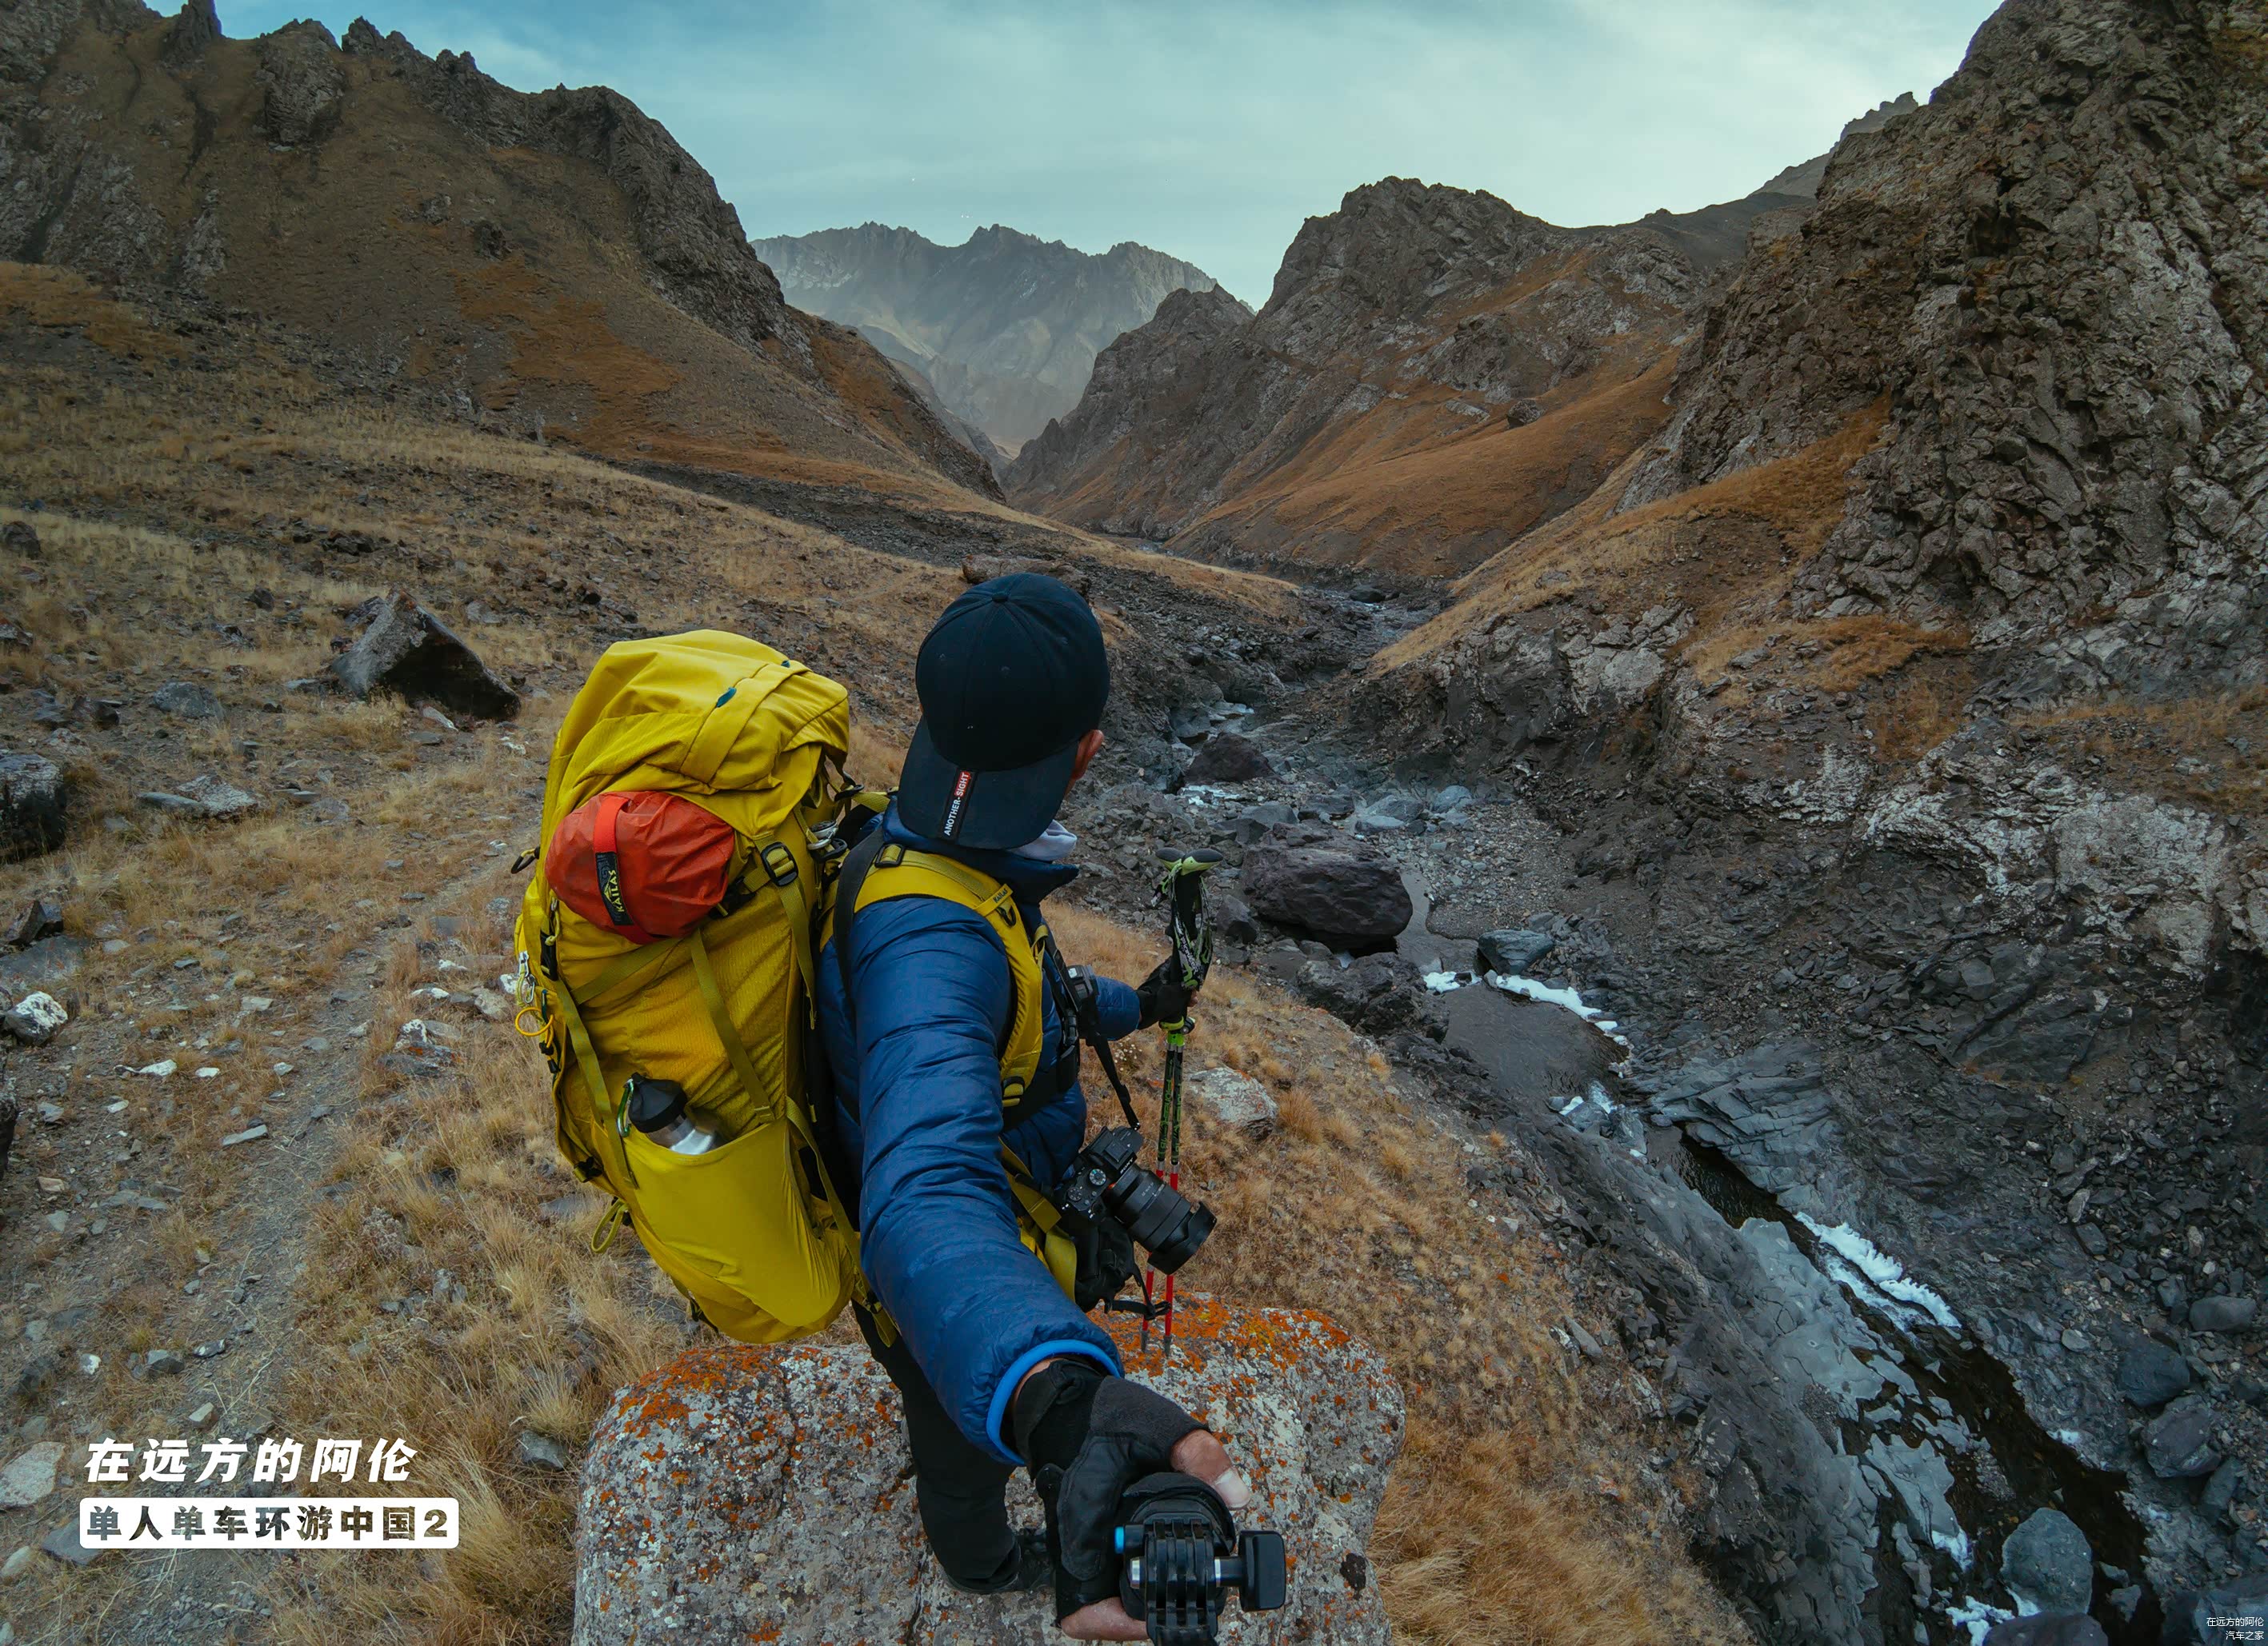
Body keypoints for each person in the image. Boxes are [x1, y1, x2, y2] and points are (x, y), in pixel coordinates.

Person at [815, 573, 1249, 1639]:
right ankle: (977, 1557)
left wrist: (1137, 1003)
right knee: (961, 1443)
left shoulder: (933, 844)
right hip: (944, 1283)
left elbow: (1030, 998)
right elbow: (921, 1193)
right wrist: (1055, 1394)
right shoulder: (929, 938)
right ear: (1088, 754)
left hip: (997, 1254)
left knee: (972, 1399)